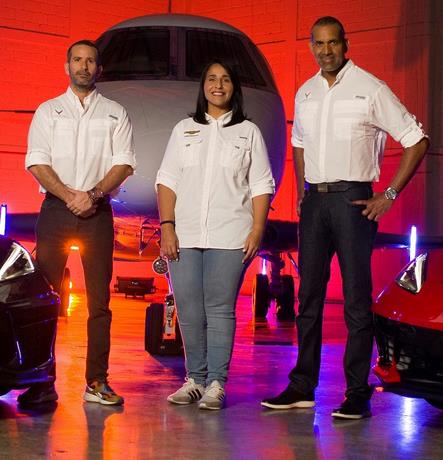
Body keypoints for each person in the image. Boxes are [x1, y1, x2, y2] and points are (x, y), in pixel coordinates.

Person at [261, 16, 429, 419]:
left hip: (354, 201)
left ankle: (357, 393)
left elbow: (417, 139)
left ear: (345, 44)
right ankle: (302, 387)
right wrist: (303, 193)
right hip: (315, 202)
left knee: (355, 300)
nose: (326, 51)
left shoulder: (370, 88)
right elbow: (299, 142)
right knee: (308, 298)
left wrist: (388, 195)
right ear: (312, 47)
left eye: (332, 43)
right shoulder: (305, 92)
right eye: (319, 44)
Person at [156, 60, 274, 410]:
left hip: (231, 234)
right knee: (189, 309)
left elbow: (261, 184)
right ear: (203, 86)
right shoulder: (184, 130)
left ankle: (217, 383)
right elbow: (167, 180)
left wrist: (257, 228)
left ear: (234, 87)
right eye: (211, 79)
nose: (218, 85)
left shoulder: (248, 132)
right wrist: (167, 226)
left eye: (225, 80)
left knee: (220, 309)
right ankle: (195, 380)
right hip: (185, 233)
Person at [23, 39, 136, 406]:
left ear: (98, 69)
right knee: (45, 301)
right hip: (55, 211)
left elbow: (124, 163)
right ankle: (42, 382)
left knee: (99, 303)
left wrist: (93, 194)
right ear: (67, 66)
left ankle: (97, 382)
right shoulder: (48, 111)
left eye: (90, 61)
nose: (83, 66)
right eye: (77, 60)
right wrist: (70, 195)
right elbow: (37, 161)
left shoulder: (116, 113)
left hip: (98, 213)